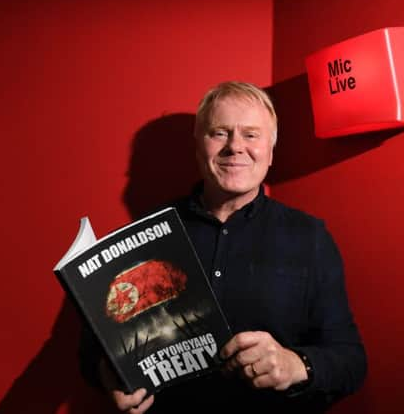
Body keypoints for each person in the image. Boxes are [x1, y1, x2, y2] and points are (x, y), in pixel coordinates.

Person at [80, 81, 367, 413]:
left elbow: (351, 360)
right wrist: (107, 375)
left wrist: (296, 365)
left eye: (251, 134)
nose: (235, 147)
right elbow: (92, 349)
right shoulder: (144, 235)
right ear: (199, 145)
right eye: (219, 133)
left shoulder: (310, 238)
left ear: (271, 150)